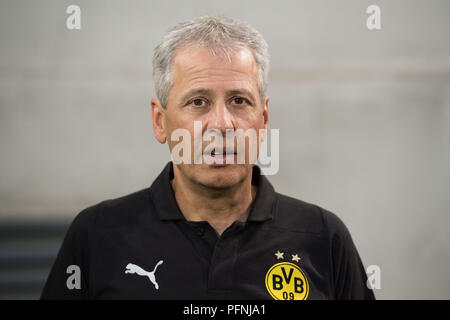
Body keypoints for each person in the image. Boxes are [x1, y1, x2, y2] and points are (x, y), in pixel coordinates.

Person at [40, 15, 375, 300]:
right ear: (160, 121)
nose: (221, 124)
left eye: (239, 101)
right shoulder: (98, 235)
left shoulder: (322, 237)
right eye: (198, 101)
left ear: (264, 119)